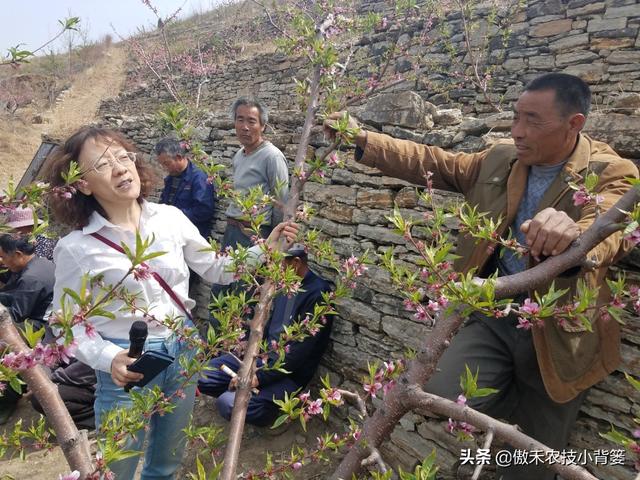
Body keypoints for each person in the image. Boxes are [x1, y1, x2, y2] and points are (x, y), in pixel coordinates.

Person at [324, 73, 639, 480]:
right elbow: (433, 161)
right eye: (516, 117)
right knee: (440, 390)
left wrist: (575, 233)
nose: (518, 131)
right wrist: (363, 139)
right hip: (493, 313)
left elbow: (612, 227)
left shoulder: (613, 171)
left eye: (533, 121)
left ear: (574, 123)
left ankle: (502, 458)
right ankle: (499, 440)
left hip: (560, 332)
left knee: (538, 459)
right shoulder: (501, 158)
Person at [46, 126, 298, 480]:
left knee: (168, 460)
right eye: (103, 164)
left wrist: (266, 248)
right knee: (117, 465)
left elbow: (216, 267)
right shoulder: (77, 248)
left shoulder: (170, 219)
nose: (120, 168)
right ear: (82, 184)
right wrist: (108, 358)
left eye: (123, 157)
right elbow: (65, 324)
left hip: (183, 350)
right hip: (127, 364)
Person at [198, 244, 333, 426]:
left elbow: (297, 354)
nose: (271, 269)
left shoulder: (319, 294)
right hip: (260, 357)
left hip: (287, 373)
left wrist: (257, 378)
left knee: (228, 403)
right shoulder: (283, 283)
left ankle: (274, 416)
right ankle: (238, 390)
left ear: (296, 263)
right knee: (201, 376)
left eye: (278, 264)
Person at [210, 98, 290, 302]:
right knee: (221, 287)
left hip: (253, 234)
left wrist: (273, 243)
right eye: (240, 119)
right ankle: (212, 333)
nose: (245, 127)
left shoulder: (272, 156)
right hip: (232, 232)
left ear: (262, 125)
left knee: (242, 294)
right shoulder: (239, 155)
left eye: (252, 121)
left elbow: (281, 202)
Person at [0, 234, 55, 424]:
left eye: (3, 257)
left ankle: (7, 399)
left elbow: (15, 315)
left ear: (17, 254)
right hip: (37, 313)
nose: (2, 261)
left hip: (39, 325)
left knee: (6, 344)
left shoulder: (31, 278)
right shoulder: (40, 263)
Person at [155, 137, 216, 238]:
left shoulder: (199, 178)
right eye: (162, 165)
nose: (164, 168)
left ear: (179, 157)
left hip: (191, 237)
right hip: (170, 234)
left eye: (167, 163)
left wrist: (173, 216)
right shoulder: (171, 178)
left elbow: (204, 211)